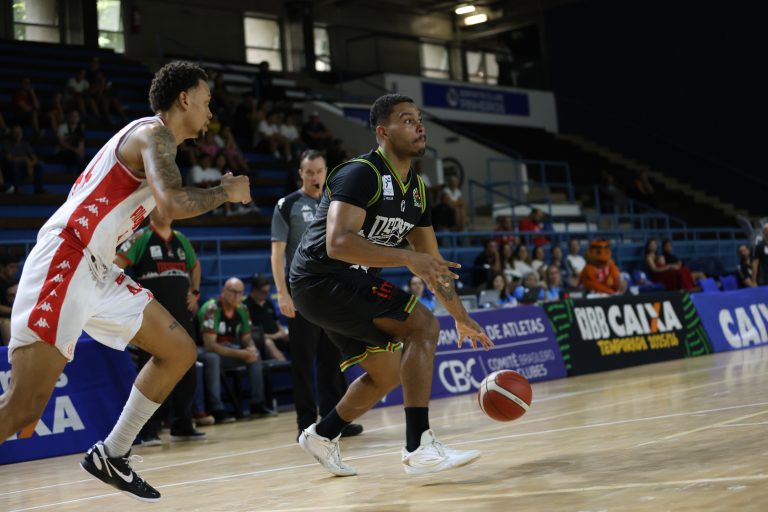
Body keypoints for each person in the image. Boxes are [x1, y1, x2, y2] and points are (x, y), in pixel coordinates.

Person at [0, 61, 252, 502]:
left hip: (97, 267)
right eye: (207, 101)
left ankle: (112, 454)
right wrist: (225, 193)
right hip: (68, 256)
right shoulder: (153, 135)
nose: (211, 111)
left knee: (179, 350)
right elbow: (171, 204)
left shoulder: (158, 145)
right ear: (184, 99)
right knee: (23, 409)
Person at [289, 93, 493, 477]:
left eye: (420, 119)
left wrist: (461, 317)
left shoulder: (417, 190)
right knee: (423, 325)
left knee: (387, 374)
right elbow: (337, 243)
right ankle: (418, 446)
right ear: (383, 132)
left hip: (341, 287)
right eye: (407, 120)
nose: (419, 127)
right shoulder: (360, 172)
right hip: (320, 277)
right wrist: (406, 257)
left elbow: (433, 265)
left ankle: (322, 434)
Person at [270, 149, 363, 438]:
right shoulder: (287, 204)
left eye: (319, 171)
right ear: (300, 173)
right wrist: (282, 294)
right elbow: (277, 254)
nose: (314, 176)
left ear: (326, 172)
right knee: (303, 362)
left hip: (331, 292)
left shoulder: (335, 204)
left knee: (332, 359)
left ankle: (334, 422)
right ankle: (306, 424)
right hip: (301, 292)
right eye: (309, 172)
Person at [115, 209, 207, 445]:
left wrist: (195, 291)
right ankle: (149, 430)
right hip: (153, 317)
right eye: (160, 208)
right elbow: (117, 264)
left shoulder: (181, 239)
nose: (166, 212)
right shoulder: (141, 237)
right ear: (150, 212)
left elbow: (195, 266)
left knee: (187, 366)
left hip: (181, 313)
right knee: (151, 368)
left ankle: (183, 425)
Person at [198, 278, 277, 421]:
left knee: (254, 355)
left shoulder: (242, 309)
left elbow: (246, 338)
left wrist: (251, 348)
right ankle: (217, 409)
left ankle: (257, 404)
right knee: (213, 358)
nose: (236, 296)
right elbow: (210, 346)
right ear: (223, 291)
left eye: (240, 293)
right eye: (233, 292)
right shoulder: (212, 309)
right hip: (203, 351)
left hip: (227, 351)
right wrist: (240, 353)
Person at [242, 275, 288, 361]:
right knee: (268, 343)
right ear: (254, 290)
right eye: (264, 292)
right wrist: (275, 336)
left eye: (268, 291)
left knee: (294, 338)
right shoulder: (245, 306)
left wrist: (282, 332)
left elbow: (277, 322)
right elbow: (250, 332)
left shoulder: (268, 303)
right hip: (261, 340)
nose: (266, 294)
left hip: (278, 337)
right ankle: (286, 366)